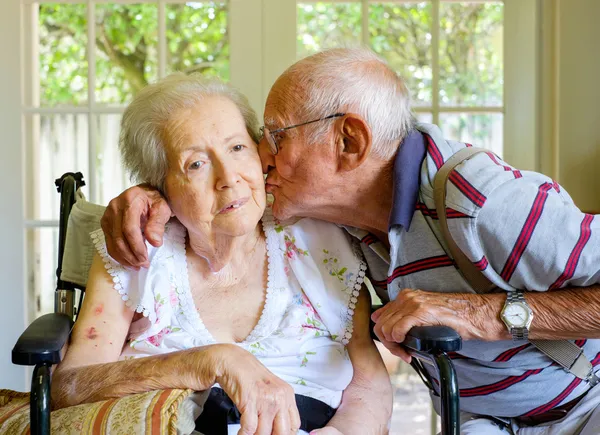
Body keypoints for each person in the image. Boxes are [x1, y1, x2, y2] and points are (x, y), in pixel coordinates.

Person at [101, 48, 600, 434]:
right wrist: (149, 194)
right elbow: (216, 191)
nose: (259, 159)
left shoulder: (482, 204)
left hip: (583, 411)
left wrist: (477, 314)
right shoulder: (335, 217)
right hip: (480, 421)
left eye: (275, 137)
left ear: (348, 143)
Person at [52, 73, 393, 435]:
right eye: (196, 164)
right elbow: (69, 387)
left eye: (237, 148)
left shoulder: (320, 243)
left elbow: (368, 382)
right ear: (160, 185)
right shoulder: (137, 250)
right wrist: (210, 362)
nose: (228, 178)